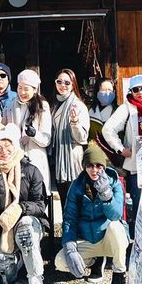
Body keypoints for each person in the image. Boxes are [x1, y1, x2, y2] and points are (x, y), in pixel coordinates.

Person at [0, 124, 49, 284]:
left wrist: (20, 208)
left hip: (30, 222)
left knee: (24, 229)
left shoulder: (30, 170)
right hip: (3, 227)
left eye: (8, 146)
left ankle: (35, 275)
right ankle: (12, 274)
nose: (4, 151)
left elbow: (40, 205)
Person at [54, 142, 128, 284]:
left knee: (116, 226)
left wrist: (106, 195)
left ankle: (119, 273)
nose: (94, 170)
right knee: (60, 262)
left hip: (108, 237)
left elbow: (116, 215)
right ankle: (94, 260)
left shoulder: (114, 182)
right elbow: (70, 218)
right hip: (88, 238)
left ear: (104, 166)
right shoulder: (77, 186)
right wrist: (70, 247)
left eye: (98, 166)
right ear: (84, 166)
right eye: (90, 165)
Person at [101, 73, 142, 234]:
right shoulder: (127, 108)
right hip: (137, 167)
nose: (141, 92)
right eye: (136, 89)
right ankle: (138, 242)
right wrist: (120, 148)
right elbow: (108, 129)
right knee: (140, 205)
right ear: (131, 92)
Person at [4, 69, 52, 193]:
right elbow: (3, 129)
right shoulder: (10, 105)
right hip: (14, 158)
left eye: (26, 89)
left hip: (35, 157)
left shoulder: (42, 106)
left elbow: (46, 139)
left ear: (35, 89)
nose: (22, 92)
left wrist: (34, 134)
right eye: (20, 88)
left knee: (36, 195)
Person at [51, 68, 90, 206]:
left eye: (67, 82)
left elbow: (82, 138)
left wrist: (74, 122)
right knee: (64, 204)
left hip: (72, 161)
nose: (63, 85)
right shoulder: (55, 105)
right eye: (59, 81)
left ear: (73, 84)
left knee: (75, 204)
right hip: (58, 160)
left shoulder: (78, 105)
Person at [87, 78, 116, 146]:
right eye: (103, 90)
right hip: (93, 151)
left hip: (113, 151)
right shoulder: (88, 110)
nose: (107, 93)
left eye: (110, 90)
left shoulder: (119, 111)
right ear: (97, 92)